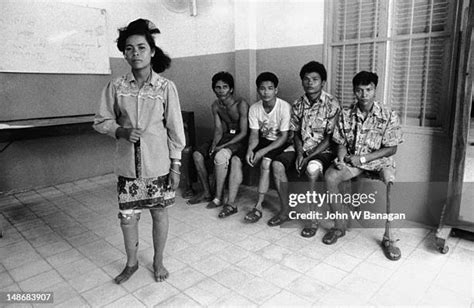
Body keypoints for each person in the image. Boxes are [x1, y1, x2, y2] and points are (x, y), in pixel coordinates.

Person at [93, 18, 186, 283]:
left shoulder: (166, 88)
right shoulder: (116, 86)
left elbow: (175, 130)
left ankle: (158, 261)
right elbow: (100, 121)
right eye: (130, 48)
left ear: (152, 51)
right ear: (124, 53)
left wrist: (176, 165)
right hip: (127, 167)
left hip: (158, 166)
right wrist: (120, 131)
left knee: (159, 213)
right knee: (128, 218)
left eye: (142, 47)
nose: (136, 53)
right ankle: (131, 263)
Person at [324, 71, 403, 260]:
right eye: (359, 90)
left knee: (390, 181)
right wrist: (342, 159)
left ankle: (389, 238)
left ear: (375, 90)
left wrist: (364, 159)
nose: (364, 94)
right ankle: (339, 226)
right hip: (354, 161)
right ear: (354, 91)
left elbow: (391, 149)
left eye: (368, 89)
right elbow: (340, 142)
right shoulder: (345, 114)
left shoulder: (388, 114)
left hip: (378, 161)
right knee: (331, 176)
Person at [268, 61, 341, 238]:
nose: (310, 83)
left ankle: (312, 219)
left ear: (322, 82)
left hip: (322, 151)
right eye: (306, 79)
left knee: (312, 169)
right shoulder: (298, 103)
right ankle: (285, 210)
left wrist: (309, 157)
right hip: (301, 147)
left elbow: (330, 138)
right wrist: (300, 153)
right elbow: (295, 132)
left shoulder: (332, 103)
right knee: (277, 165)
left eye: (315, 79)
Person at [187, 72, 249, 215]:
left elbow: (244, 133)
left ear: (231, 89)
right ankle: (207, 192)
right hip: (225, 137)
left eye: (225, 87)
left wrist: (222, 147)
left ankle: (218, 197)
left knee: (220, 156)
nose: (221, 91)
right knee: (197, 154)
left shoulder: (241, 104)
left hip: (240, 140)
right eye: (218, 87)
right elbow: (219, 130)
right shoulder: (215, 106)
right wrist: (215, 144)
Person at [243, 72, 291, 223]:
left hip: (281, 141)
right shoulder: (254, 108)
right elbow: (254, 135)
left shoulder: (284, 107)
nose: (266, 92)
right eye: (262, 88)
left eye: (270, 88)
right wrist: (251, 149)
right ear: (258, 90)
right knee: (251, 157)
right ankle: (259, 205)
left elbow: (283, 137)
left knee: (265, 162)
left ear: (276, 90)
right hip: (264, 140)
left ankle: (258, 205)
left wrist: (263, 151)